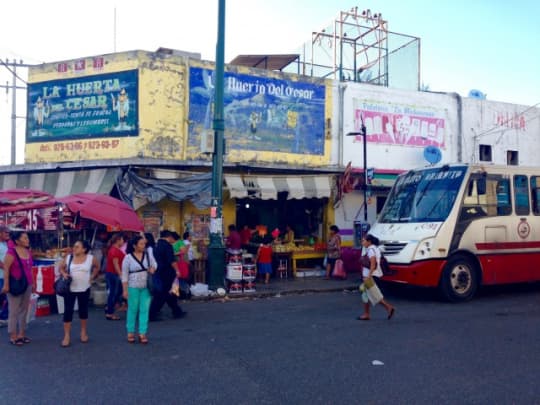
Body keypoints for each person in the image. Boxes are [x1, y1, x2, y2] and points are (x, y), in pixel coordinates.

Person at [58, 240, 100, 347]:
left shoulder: (90, 258)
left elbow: (97, 267)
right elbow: (61, 267)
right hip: (70, 289)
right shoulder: (69, 257)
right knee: (68, 311)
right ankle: (66, 335)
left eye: (77, 247)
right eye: (74, 246)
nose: (74, 248)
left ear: (84, 249)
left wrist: (92, 277)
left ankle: (83, 332)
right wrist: (64, 274)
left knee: (83, 310)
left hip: (84, 288)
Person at [122, 235, 157, 344]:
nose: (143, 246)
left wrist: (153, 269)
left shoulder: (147, 256)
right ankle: (130, 332)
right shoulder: (127, 258)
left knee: (144, 310)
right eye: (141, 244)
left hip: (146, 286)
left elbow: (155, 265)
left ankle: (142, 333)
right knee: (132, 310)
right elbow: (124, 275)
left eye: (144, 244)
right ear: (134, 246)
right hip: (133, 287)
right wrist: (125, 290)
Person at [1, 231, 33, 346]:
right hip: (15, 284)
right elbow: (6, 269)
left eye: (27, 237)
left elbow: (30, 269)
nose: (27, 240)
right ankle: (13, 335)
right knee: (14, 310)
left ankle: (22, 334)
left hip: (27, 284)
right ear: (17, 241)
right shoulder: (11, 253)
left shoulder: (28, 252)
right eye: (24, 238)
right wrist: (6, 284)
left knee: (24, 310)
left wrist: (32, 284)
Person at [149, 230, 187, 321]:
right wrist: (177, 271)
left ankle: (177, 311)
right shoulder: (167, 246)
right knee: (163, 294)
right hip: (168, 272)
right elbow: (172, 260)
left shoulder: (156, 246)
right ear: (169, 237)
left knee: (171, 292)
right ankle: (152, 314)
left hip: (159, 271)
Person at [357, 234, 395, 321]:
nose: (362, 242)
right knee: (366, 295)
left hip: (371, 276)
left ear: (369, 241)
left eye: (363, 240)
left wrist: (368, 276)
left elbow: (373, 263)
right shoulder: (375, 248)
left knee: (374, 295)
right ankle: (366, 313)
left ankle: (388, 307)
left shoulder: (370, 250)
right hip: (374, 275)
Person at [105, 233, 125, 320]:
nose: (123, 241)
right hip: (114, 274)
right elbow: (115, 264)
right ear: (118, 240)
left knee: (115, 293)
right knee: (113, 293)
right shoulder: (114, 251)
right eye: (122, 240)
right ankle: (110, 312)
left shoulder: (114, 250)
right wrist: (120, 274)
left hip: (113, 274)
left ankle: (109, 308)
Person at [0, 225, 10, 326]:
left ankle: (3, 317)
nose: (8, 234)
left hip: (5, 276)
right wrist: (6, 268)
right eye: (6, 233)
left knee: (6, 297)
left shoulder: (5, 244)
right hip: (1, 276)